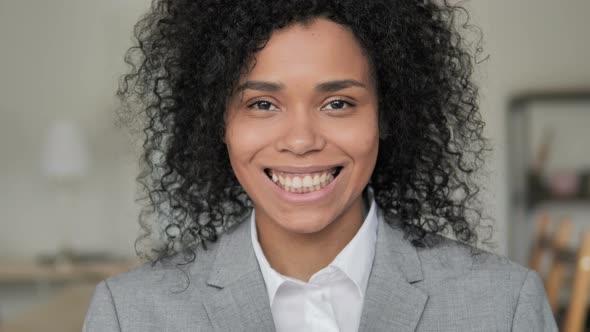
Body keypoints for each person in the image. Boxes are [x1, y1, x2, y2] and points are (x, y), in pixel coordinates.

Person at [84, 0, 557, 331]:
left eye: (337, 103)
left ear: (387, 114)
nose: (301, 140)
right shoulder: (130, 314)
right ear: (218, 122)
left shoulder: (504, 305)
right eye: (263, 104)